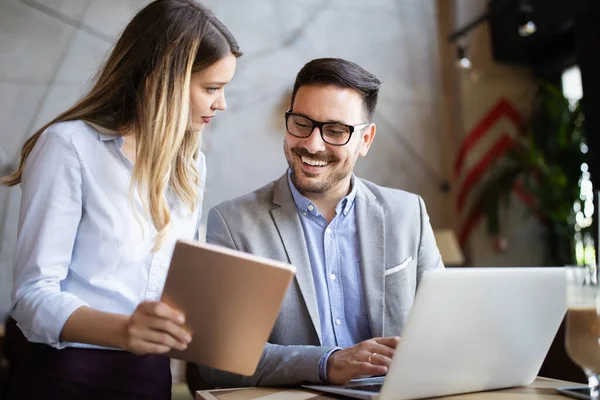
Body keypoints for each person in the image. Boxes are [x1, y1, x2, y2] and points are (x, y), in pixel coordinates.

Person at [2, 1, 241, 398]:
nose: (222, 104)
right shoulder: (69, 147)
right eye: (211, 89)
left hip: (149, 378)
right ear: (165, 80)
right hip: (67, 375)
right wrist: (126, 330)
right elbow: (32, 296)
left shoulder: (190, 166)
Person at [195, 58, 444, 388]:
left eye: (336, 131)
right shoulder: (234, 224)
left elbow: (445, 330)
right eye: (301, 123)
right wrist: (327, 363)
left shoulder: (407, 213)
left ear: (365, 140)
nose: (312, 144)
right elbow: (220, 361)